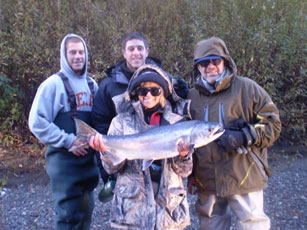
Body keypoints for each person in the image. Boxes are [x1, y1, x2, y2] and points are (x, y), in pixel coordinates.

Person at [187, 37, 281, 230]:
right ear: (197, 66)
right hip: (208, 181)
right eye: (204, 63)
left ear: (225, 61)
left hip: (244, 176)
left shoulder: (247, 88)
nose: (210, 66)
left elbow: (274, 125)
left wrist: (245, 136)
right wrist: (191, 175)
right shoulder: (191, 96)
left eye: (216, 61)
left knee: (253, 225)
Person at [90, 64, 192, 229]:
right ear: (136, 93)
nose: (148, 95)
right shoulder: (120, 122)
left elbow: (185, 172)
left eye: (155, 90)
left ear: (164, 91)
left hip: (168, 212)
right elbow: (111, 169)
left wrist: (184, 156)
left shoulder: (177, 123)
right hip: (132, 212)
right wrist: (105, 152)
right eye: (143, 91)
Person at [91, 32, 189, 190]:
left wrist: (184, 92)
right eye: (131, 49)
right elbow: (100, 122)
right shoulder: (109, 85)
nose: (148, 95)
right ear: (124, 52)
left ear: (147, 51)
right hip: (128, 168)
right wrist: (107, 160)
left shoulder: (166, 78)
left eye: (139, 48)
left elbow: (178, 109)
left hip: (165, 171)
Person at [28, 34, 99, 229]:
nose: (78, 56)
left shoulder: (93, 85)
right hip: (65, 167)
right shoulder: (53, 85)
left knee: (86, 213)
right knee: (68, 218)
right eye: (72, 52)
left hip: (88, 166)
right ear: (64, 55)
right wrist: (68, 141)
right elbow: (36, 122)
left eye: (81, 52)